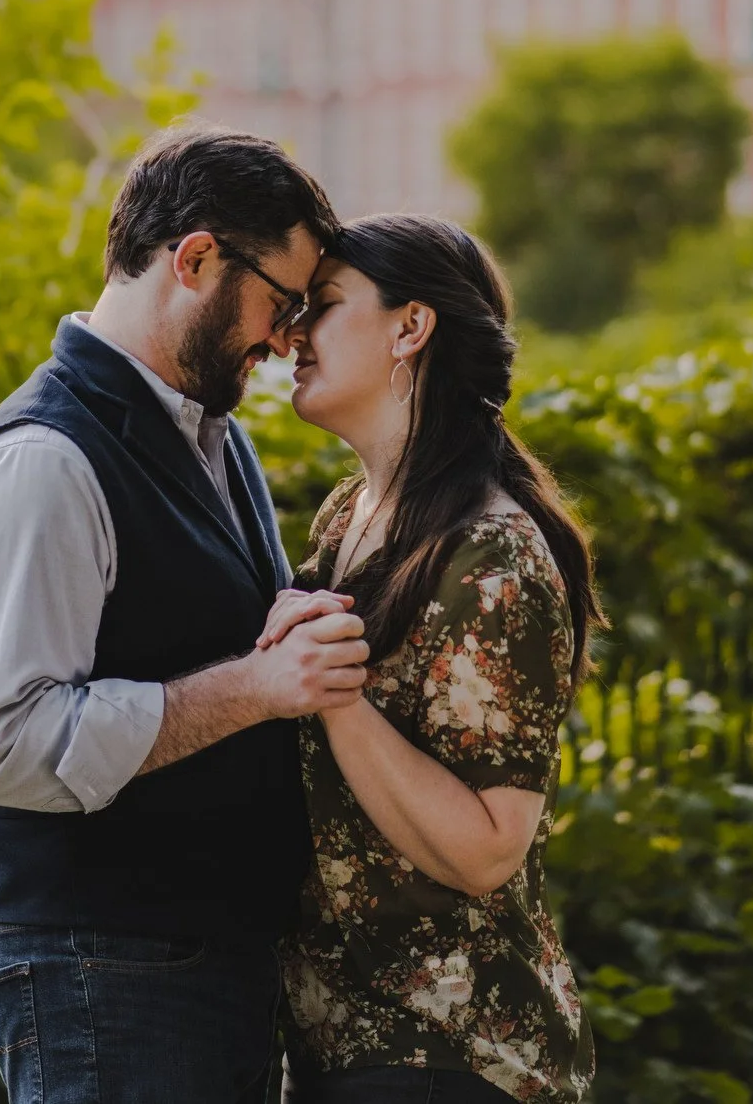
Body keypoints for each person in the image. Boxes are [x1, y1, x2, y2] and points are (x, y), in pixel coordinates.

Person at [0, 125, 369, 1104]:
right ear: (196, 257)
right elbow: (3, 745)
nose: (285, 338)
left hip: (191, 964)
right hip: (106, 965)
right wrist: (255, 686)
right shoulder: (44, 459)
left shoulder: (209, 432)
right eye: (281, 301)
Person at [261, 215, 603, 1102]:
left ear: (410, 328)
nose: (293, 333)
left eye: (325, 306)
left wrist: (335, 696)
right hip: (342, 1041)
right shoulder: (348, 517)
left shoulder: (491, 555)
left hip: (451, 1053)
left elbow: (491, 847)